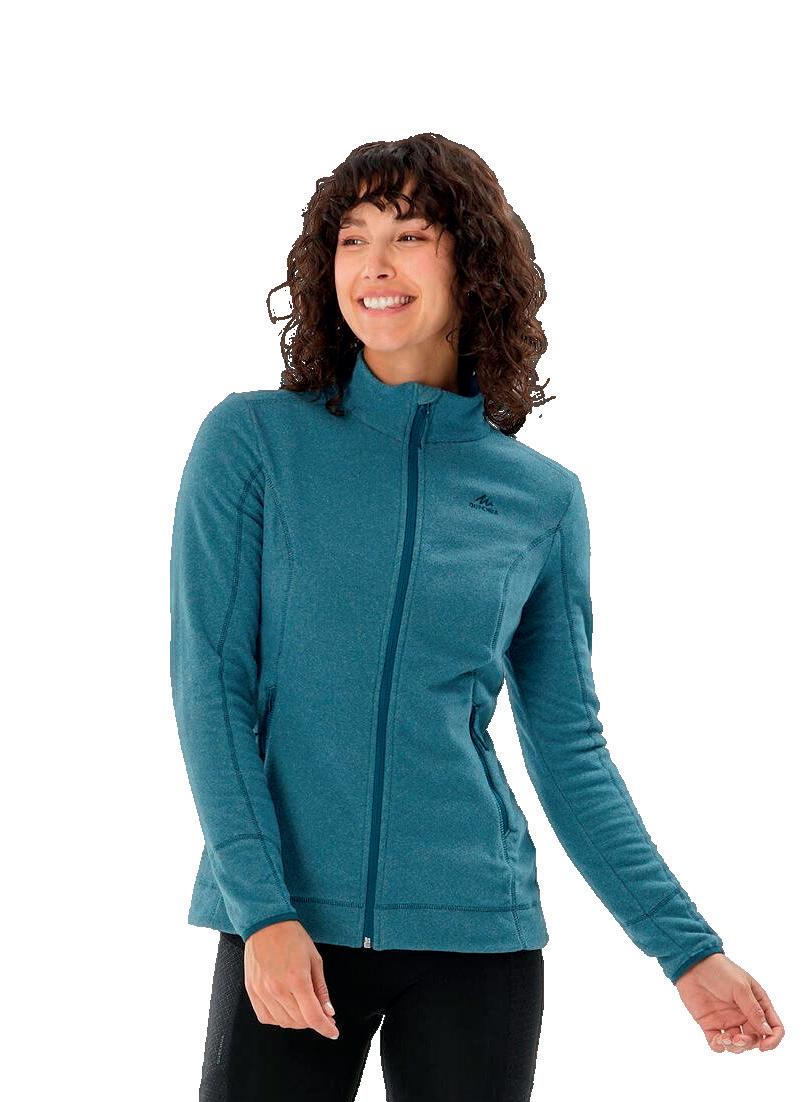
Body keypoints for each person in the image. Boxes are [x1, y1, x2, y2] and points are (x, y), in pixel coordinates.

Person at [169, 134, 784, 1101]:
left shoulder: (542, 498)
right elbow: (211, 688)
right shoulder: (255, 442)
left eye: (409, 235)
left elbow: (570, 750)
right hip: (287, 929)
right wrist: (262, 912)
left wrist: (687, 949)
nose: (374, 264)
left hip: (477, 939)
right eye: (352, 238)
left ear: (474, 264)